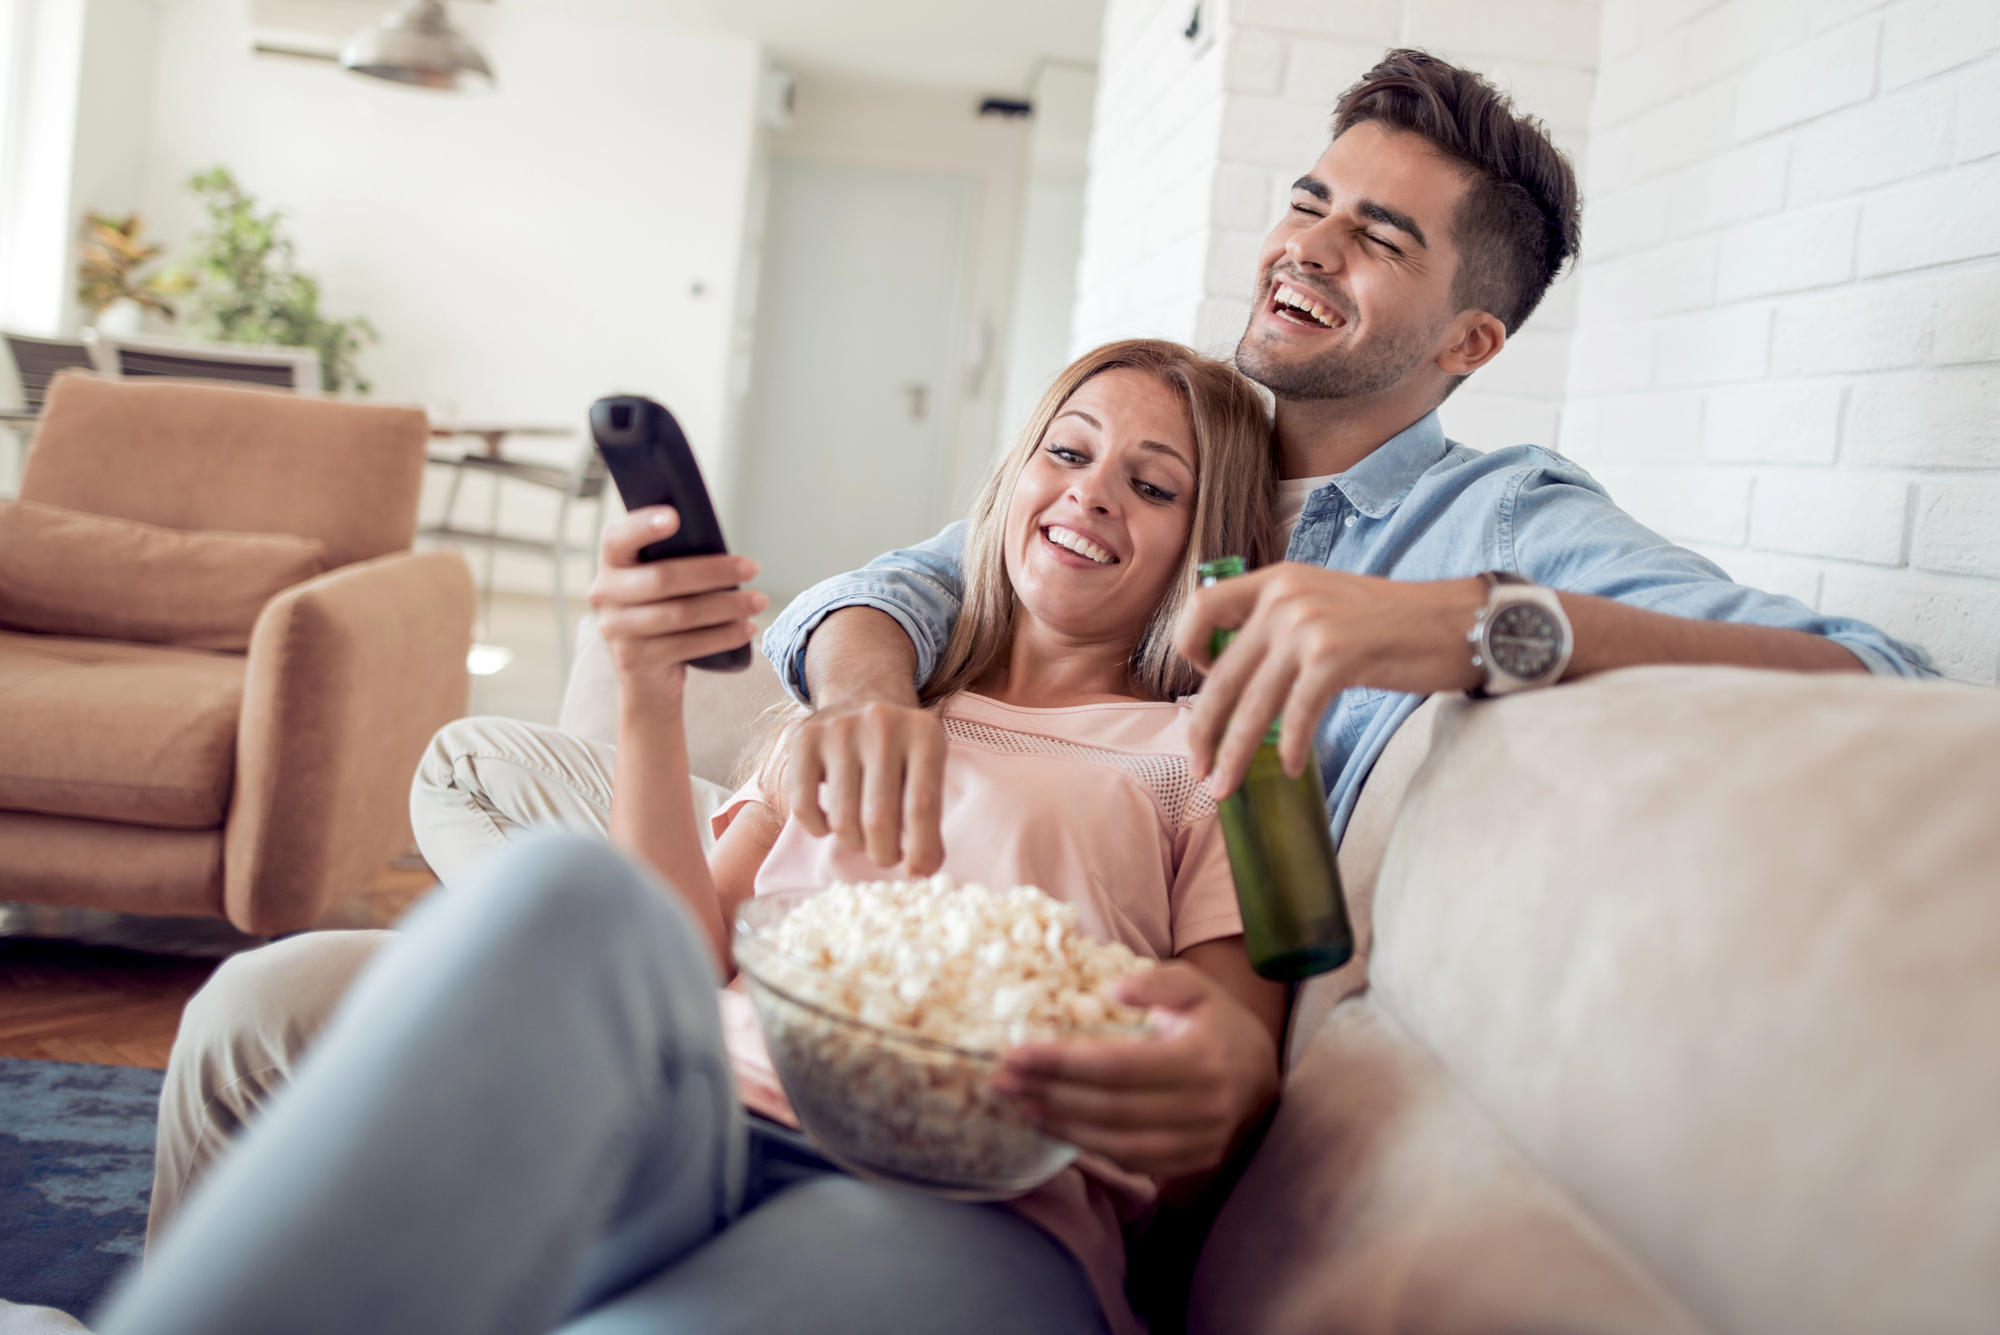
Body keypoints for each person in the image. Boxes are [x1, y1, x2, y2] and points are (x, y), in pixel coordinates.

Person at [119, 341, 1284, 1335]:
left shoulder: (1217, 749)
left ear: (1203, 541)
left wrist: (1191, 1080)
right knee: (554, 901)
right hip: (691, 1110)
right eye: (1068, 453)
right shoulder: (862, 709)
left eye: (1151, 485)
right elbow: (681, 955)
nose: (1089, 495)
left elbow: (1233, 1045)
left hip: (972, 1199)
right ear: (1013, 478)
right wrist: (645, 692)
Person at [752, 50, 1934, 881]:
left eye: (1375, 239)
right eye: (1309, 205)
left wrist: (1475, 628)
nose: (1302, 251)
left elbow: (1877, 677)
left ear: (1471, 340)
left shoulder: (1498, 520)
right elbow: (896, 589)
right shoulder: (1165, 440)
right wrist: (866, 708)